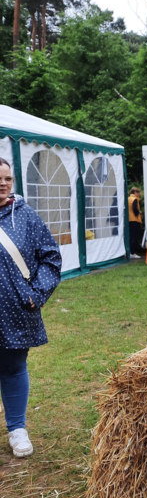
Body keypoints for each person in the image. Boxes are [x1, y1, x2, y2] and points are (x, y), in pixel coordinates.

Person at [0, 157, 61, 458]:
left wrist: (36, 293)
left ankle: (17, 429)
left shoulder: (25, 216)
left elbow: (50, 257)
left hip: (15, 308)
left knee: (13, 367)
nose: (3, 184)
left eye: (7, 179)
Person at [128, 187, 143, 258]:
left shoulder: (128, 198)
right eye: (138, 192)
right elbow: (135, 209)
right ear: (135, 192)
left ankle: (129, 252)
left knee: (131, 236)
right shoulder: (135, 199)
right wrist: (138, 213)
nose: (138, 194)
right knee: (134, 237)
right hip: (135, 219)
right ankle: (132, 253)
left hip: (129, 219)